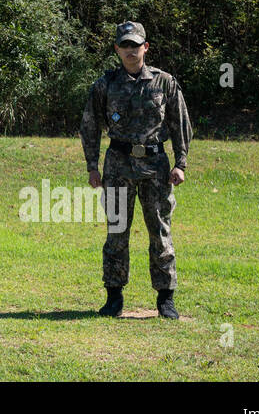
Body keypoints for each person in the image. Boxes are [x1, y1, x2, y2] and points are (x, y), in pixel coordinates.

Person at [80, 21, 192, 319]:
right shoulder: (105, 85)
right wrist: (92, 167)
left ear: (146, 47)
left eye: (136, 45)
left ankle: (165, 299)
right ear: (117, 49)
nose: (131, 51)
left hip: (156, 168)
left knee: (160, 232)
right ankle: (114, 297)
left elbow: (180, 124)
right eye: (125, 45)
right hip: (118, 165)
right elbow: (90, 126)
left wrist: (181, 163)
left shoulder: (164, 82)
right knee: (117, 232)